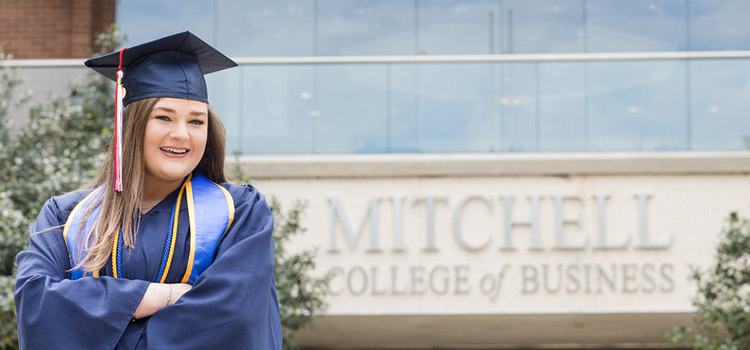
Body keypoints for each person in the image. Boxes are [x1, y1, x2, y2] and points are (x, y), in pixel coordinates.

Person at [14, 31, 282, 349]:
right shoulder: (67, 216)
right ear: (131, 126)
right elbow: (36, 303)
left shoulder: (240, 213)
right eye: (164, 117)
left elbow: (233, 320)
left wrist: (103, 317)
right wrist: (159, 295)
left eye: (196, 122)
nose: (182, 134)